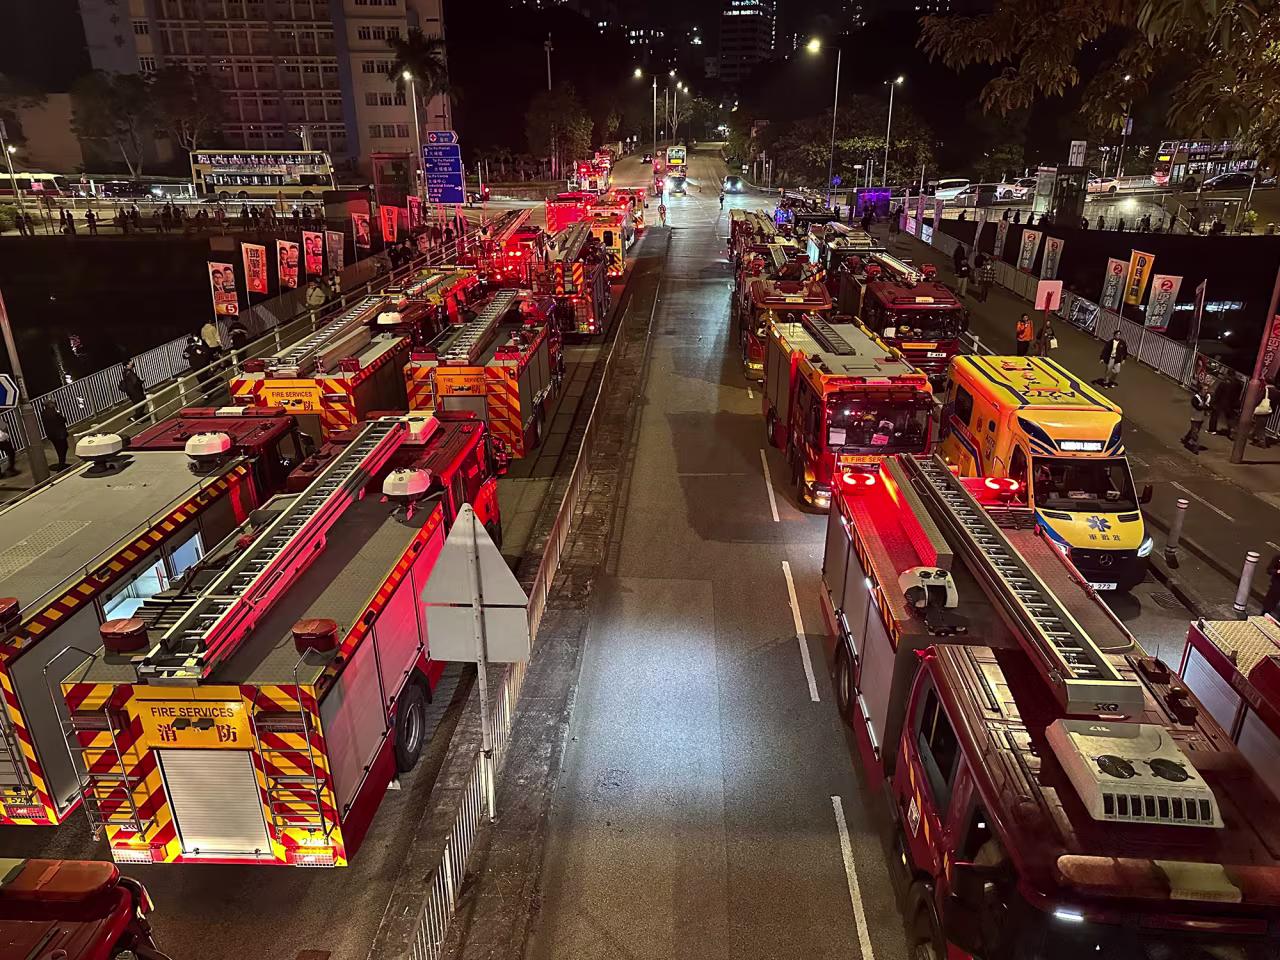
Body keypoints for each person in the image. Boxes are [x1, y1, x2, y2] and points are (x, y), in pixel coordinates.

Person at [1181, 385, 1211, 453]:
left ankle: (1185, 438)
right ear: (1200, 390)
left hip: (1201, 418)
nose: (1206, 391)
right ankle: (1195, 446)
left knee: (1193, 430)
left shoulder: (1206, 397)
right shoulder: (1195, 398)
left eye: (1207, 390)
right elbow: (1197, 407)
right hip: (1195, 418)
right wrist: (1206, 407)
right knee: (1195, 432)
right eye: (1204, 389)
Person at [40, 400, 69, 470]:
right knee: (64, 448)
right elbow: (63, 420)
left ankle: (61, 463)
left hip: (52, 435)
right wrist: (60, 415)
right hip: (59, 434)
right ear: (49, 405)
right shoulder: (54, 413)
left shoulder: (44, 413)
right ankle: (62, 464)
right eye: (52, 403)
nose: (54, 404)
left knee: (58, 449)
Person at [1252, 382, 1277, 447]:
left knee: (1259, 425)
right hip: (1269, 410)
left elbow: (1259, 399)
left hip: (1262, 409)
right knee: (1261, 424)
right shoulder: (1277, 391)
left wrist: (1254, 407)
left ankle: (1261, 441)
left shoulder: (1265, 390)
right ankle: (1255, 436)